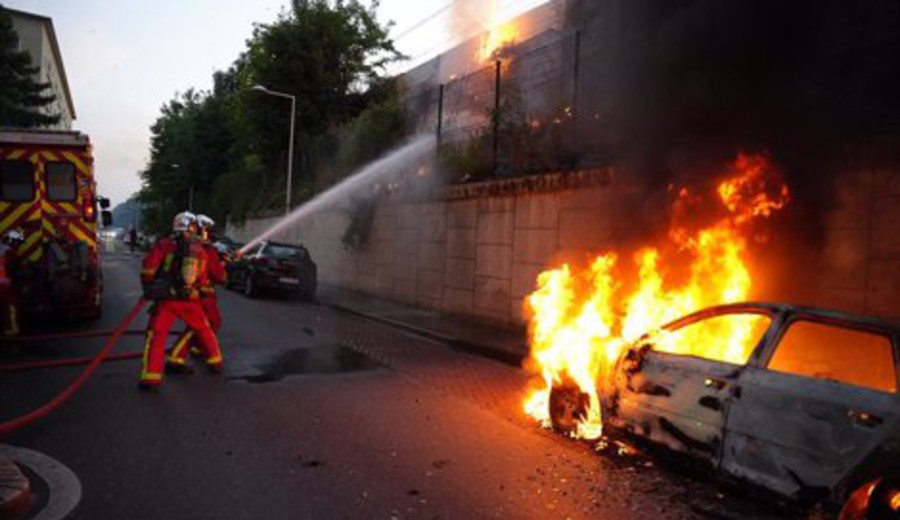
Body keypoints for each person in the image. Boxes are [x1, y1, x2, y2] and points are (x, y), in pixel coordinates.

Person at [138, 211, 223, 392]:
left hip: (167, 300)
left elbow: (149, 267)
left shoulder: (165, 244)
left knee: (156, 335)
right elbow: (206, 275)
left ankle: (151, 378)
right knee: (204, 329)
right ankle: (216, 361)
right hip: (191, 299)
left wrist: (150, 285)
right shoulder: (199, 249)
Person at [165, 214, 226, 374]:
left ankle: (198, 348)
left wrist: (221, 261)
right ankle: (176, 357)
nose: (210, 234)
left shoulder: (196, 247)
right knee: (204, 324)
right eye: (208, 230)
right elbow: (218, 275)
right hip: (203, 294)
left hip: (199, 293)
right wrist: (223, 268)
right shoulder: (205, 249)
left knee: (207, 323)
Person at [0, 229, 23, 336]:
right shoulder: (9, 252)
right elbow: (14, 269)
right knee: (12, 304)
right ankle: (11, 330)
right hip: (3, 284)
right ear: (11, 241)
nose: (18, 245)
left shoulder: (2, 249)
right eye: (17, 242)